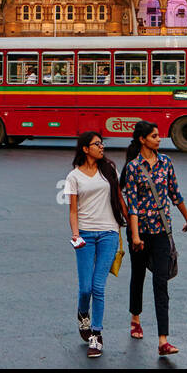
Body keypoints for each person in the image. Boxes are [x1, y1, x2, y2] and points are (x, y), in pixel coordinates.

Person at [121, 121, 187, 356]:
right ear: (142, 140)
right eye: (154, 136)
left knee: (161, 283)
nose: (159, 139)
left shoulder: (166, 163)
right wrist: (135, 235)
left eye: (158, 135)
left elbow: (175, 193)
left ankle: (163, 340)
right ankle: (135, 317)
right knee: (138, 276)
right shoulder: (132, 168)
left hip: (162, 231)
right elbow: (131, 205)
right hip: (139, 232)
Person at [67, 131, 126, 359]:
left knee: (98, 287)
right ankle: (83, 313)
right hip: (85, 235)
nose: (102, 147)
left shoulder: (109, 170)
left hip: (109, 233)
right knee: (85, 288)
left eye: (102, 143)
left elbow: (120, 198)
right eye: (97, 144)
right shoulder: (74, 176)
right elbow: (73, 210)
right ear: (85, 149)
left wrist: (132, 225)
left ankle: (97, 335)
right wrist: (75, 235)